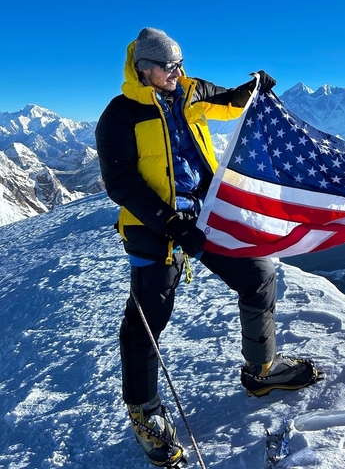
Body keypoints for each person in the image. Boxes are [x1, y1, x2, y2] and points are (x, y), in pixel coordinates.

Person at [95, 27, 321, 467]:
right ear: (145, 70)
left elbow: (228, 101)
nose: (177, 72)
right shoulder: (119, 116)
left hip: (205, 216)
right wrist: (169, 224)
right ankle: (144, 411)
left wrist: (251, 89)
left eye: (180, 63)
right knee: (147, 320)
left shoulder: (189, 92)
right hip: (154, 229)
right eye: (168, 66)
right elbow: (121, 183)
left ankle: (261, 370)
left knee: (258, 275)